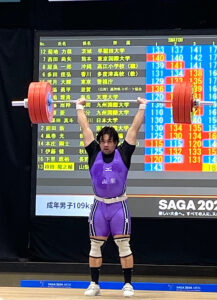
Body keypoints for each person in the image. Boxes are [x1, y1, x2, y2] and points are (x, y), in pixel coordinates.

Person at [76, 96, 147, 297]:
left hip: (118, 207)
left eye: (110, 141)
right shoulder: (93, 152)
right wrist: (79, 108)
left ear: (116, 143)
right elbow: (85, 129)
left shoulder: (124, 153)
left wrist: (142, 107)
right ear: (99, 142)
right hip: (99, 207)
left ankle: (127, 285)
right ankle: (94, 285)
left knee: (123, 245)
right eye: (103, 141)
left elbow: (134, 129)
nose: (106, 144)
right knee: (95, 245)